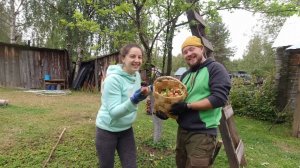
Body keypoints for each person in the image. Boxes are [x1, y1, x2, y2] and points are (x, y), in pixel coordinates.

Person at [156, 36, 231, 168]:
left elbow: (219, 98)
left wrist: (188, 106)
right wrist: (167, 112)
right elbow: (180, 103)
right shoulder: (185, 75)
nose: (189, 54)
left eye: (192, 49)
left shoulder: (215, 68)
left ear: (201, 49)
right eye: (185, 52)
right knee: (181, 164)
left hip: (202, 133)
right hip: (183, 131)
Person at [95, 44, 151, 168]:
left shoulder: (136, 75)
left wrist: (143, 95)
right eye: (132, 56)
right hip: (107, 130)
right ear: (123, 58)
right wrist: (134, 100)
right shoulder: (113, 80)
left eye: (140, 57)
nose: (137, 60)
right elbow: (114, 112)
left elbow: (130, 99)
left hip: (126, 129)